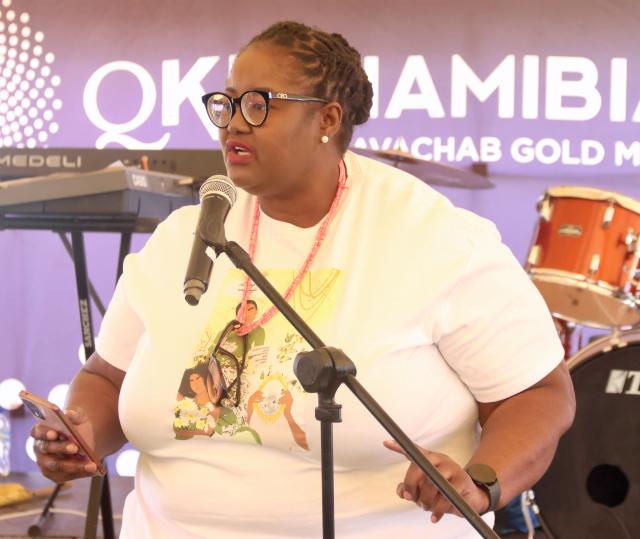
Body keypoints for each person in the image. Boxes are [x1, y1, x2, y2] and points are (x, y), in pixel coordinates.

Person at [30, 20, 575, 539]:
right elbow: (107, 377)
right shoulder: (186, 235)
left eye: (259, 104)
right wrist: (81, 436)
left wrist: (479, 481)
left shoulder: (436, 238)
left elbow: (539, 394)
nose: (234, 123)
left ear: (329, 120)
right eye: (227, 103)